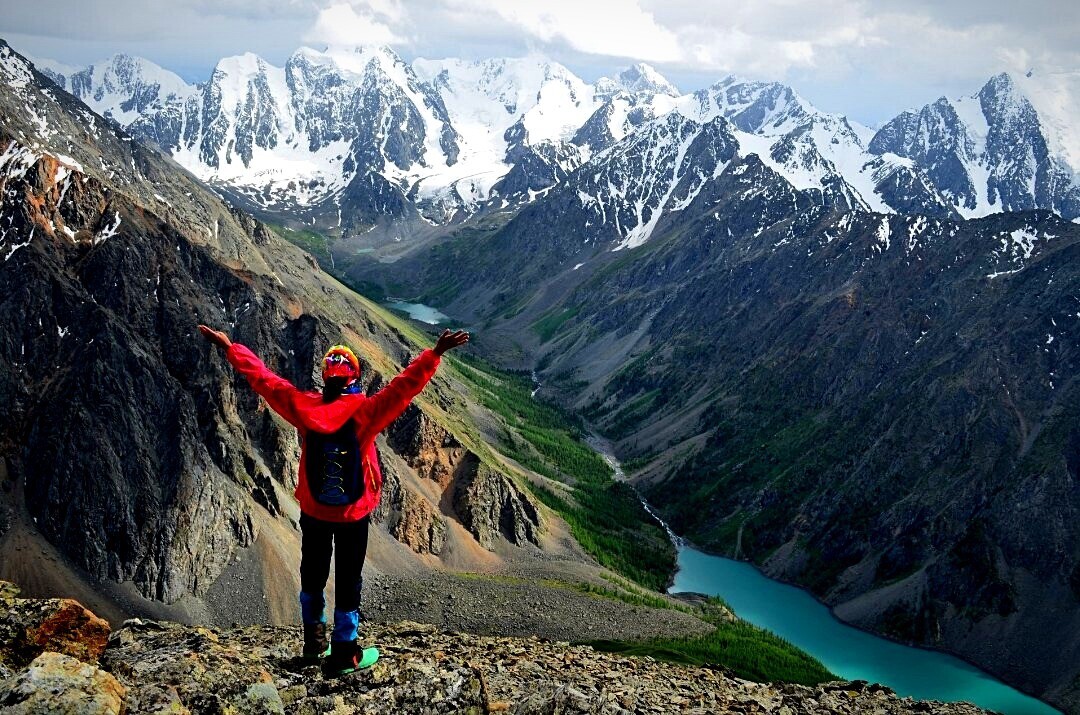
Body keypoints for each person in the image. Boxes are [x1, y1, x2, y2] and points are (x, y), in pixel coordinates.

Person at [199, 324, 469, 675]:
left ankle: (313, 645)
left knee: (312, 573)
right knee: (348, 579)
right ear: (355, 378)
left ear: (324, 376)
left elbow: (265, 381)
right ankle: (344, 654)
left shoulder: (302, 405)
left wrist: (232, 348)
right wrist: (434, 355)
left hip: (313, 509)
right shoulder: (367, 412)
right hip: (353, 513)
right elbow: (404, 388)